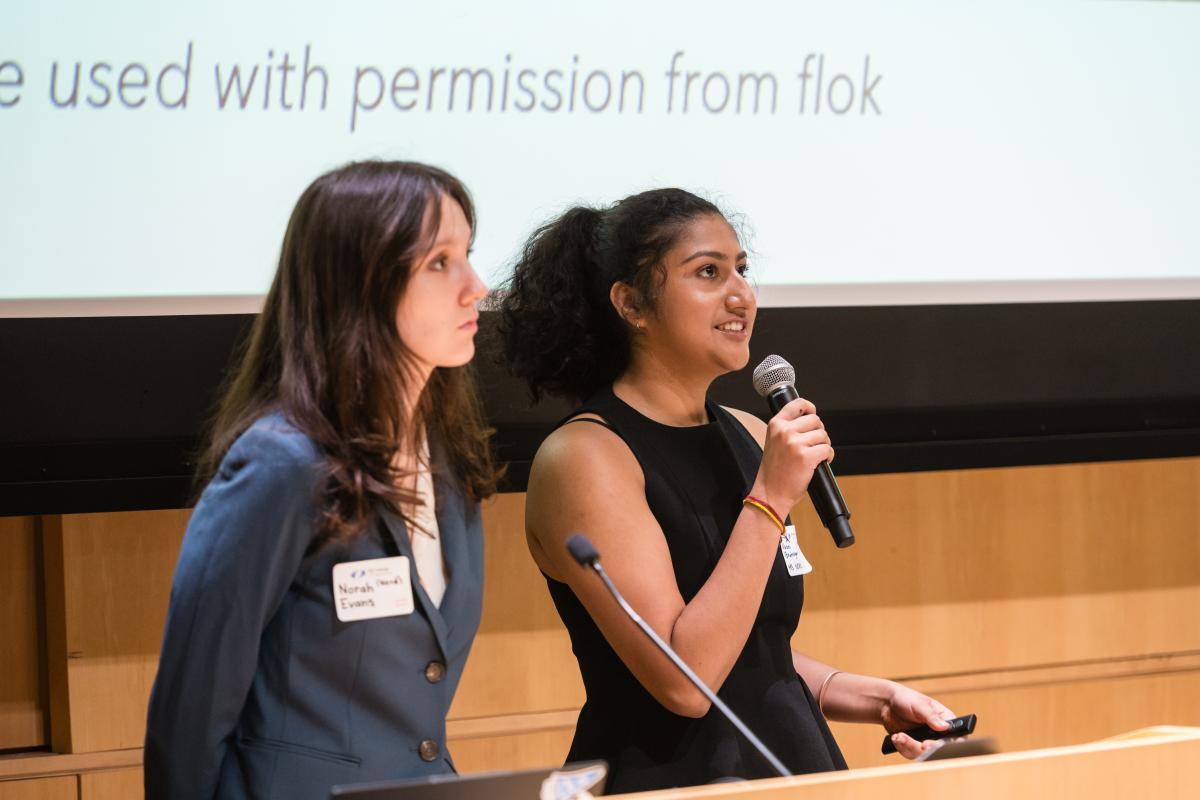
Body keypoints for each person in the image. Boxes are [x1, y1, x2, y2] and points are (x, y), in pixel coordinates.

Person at [496, 189, 956, 792]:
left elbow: (754, 651)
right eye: (708, 272)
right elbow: (686, 682)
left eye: (742, 269)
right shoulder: (585, 456)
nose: (741, 294)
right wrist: (768, 498)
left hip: (791, 766)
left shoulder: (747, 431)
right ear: (631, 303)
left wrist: (870, 695)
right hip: (674, 778)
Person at [144, 161, 498, 800]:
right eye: (440, 263)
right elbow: (190, 708)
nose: (477, 286)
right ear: (361, 283)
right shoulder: (281, 464)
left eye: (468, 255)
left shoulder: (448, 461)